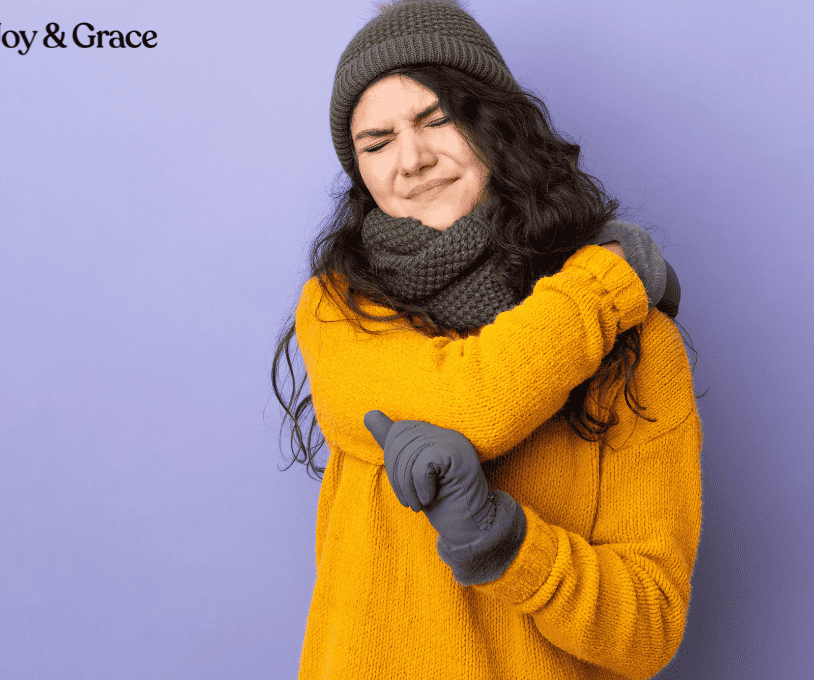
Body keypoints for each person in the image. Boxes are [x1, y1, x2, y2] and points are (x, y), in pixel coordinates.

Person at [270, 1, 702, 677]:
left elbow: (648, 626)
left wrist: (509, 545)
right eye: (376, 143)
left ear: (498, 124)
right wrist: (609, 279)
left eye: (438, 119)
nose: (410, 160)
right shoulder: (342, 307)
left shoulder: (636, 347)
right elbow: (474, 405)